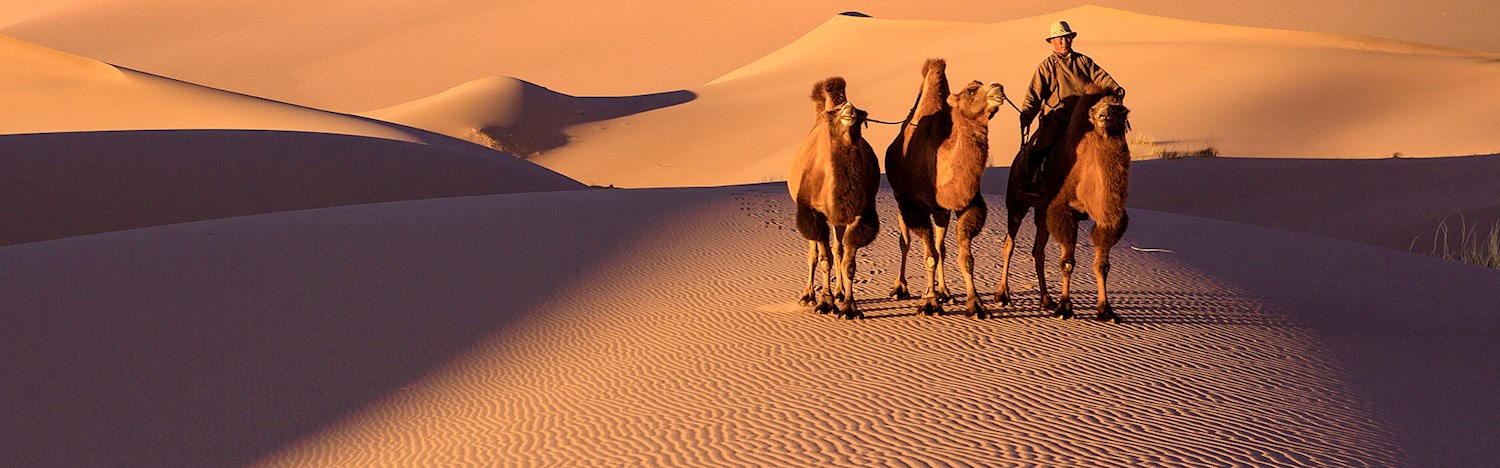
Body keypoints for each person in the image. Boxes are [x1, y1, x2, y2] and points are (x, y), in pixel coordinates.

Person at [1014, 20, 1124, 197]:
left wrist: (1115, 88)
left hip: (1084, 117)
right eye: (1059, 39)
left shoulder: (1083, 61)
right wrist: (1027, 114)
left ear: (1071, 39)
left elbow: (1101, 76)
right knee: (1042, 148)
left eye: (1066, 38)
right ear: (1052, 42)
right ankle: (1031, 185)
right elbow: (1034, 94)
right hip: (1057, 118)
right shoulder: (1046, 66)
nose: (1063, 42)